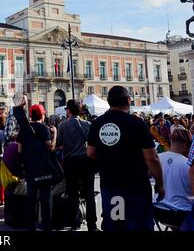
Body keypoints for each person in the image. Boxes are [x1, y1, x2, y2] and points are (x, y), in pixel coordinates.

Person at [87, 86, 165, 231]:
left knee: (117, 226)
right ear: (128, 101)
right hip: (136, 187)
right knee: (139, 226)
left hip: (111, 186)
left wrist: (109, 158)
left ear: (109, 102)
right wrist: (160, 185)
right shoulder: (137, 123)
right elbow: (152, 158)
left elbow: (90, 153)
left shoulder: (97, 124)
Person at [13, 99, 55, 231]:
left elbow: (19, 149)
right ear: (42, 115)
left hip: (30, 168)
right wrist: (55, 133)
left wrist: (22, 165)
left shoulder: (24, 129)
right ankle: (46, 225)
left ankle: (30, 225)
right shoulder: (44, 128)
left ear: (31, 115)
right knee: (45, 198)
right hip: (44, 168)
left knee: (31, 198)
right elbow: (51, 147)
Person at [57, 99, 98, 231]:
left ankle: (75, 223)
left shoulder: (63, 125)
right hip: (85, 161)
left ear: (68, 110)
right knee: (89, 193)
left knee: (73, 193)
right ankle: (92, 224)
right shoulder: (87, 124)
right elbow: (92, 143)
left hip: (70, 162)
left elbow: (59, 144)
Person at [153, 128, 193, 227]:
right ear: (185, 145)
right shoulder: (188, 165)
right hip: (180, 214)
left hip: (157, 210)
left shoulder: (157, 158)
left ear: (171, 141)